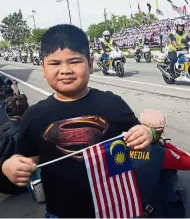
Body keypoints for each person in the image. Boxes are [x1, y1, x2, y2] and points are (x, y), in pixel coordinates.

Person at [1, 24, 160, 218]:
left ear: (90, 64)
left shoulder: (112, 103)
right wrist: (10, 166)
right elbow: (26, 158)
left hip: (116, 207)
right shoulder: (35, 115)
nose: (65, 70)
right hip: (61, 212)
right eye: (55, 63)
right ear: (43, 68)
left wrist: (147, 133)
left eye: (74, 61)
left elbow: (142, 135)